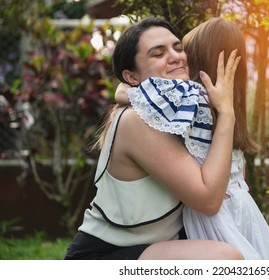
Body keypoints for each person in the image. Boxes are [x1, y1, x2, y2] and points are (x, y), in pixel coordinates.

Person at [64, 17, 243, 260]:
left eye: (178, 48)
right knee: (223, 259)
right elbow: (208, 200)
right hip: (105, 255)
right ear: (132, 76)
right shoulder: (136, 121)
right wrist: (227, 114)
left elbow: (127, 90)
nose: (176, 56)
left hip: (154, 246)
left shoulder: (178, 106)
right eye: (158, 54)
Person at [115, 17, 269, 260]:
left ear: (197, 60)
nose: (178, 58)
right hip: (243, 208)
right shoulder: (227, 103)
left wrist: (123, 88)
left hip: (215, 218)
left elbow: (132, 94)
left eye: (183, 50)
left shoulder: (190, 99)